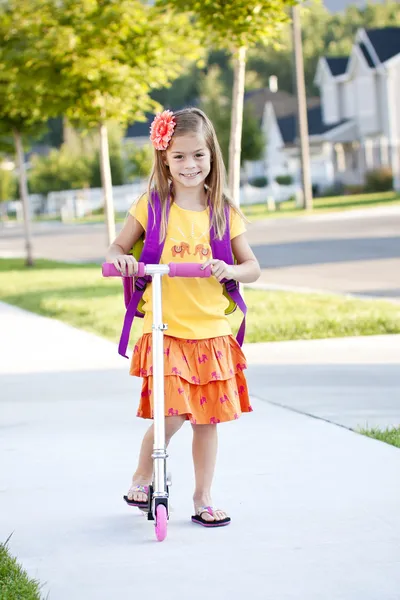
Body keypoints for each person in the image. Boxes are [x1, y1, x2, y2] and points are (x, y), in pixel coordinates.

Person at [105, 107, 261, 527]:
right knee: (170, 413)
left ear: (212, 157)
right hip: (166, 329)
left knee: (208, 422)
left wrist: (230, 270)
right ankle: (143, 474)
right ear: (164, 159)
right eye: (179, 157)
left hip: (211, 332)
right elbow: (116, 249)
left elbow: (252, 266)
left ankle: (203, 497)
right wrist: (121, 261)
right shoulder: (150, 208)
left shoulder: (223, 211)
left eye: (198, 156)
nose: (189, 165)